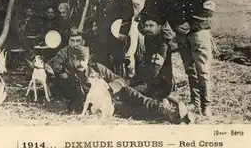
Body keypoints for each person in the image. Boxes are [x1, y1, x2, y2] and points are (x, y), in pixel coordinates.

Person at [50, 43, 191, 124]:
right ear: (72, 60)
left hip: (115, 93)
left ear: (88, 59)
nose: (80, 63)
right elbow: (72, 102)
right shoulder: (69, 76)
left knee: (134, 95)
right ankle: (167, 114)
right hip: (104, 106)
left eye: (83, 59)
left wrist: (109, 89)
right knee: (133, 111)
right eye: (76, 59)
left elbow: (120, 80)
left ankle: (169, 111)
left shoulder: (98, 67)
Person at [168, 0, 215, 118]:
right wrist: (176, 26)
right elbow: (171, 13)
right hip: (182, 37)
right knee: (190, 70)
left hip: (198, 34)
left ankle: (206, 106)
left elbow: (208, 11)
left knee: (203, 70)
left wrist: (190, 24)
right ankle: (194, 103)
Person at [91, 0, 134, 77]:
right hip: (103, 32)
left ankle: (121, 87)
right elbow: (99, 10)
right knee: (104, 61)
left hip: (116, 33)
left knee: (118, 62)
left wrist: (123, 32)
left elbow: (128, 12)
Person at [128, 14, 174, 102]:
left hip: (160, 84)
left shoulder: (162, 45)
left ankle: (161, 100)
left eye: (151, 26)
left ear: (159, 27)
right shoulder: (150, 39)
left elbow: (153, 71)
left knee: (128, 93)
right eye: (146, 26)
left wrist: (134, 82)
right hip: (151, 81)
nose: (147, 28)